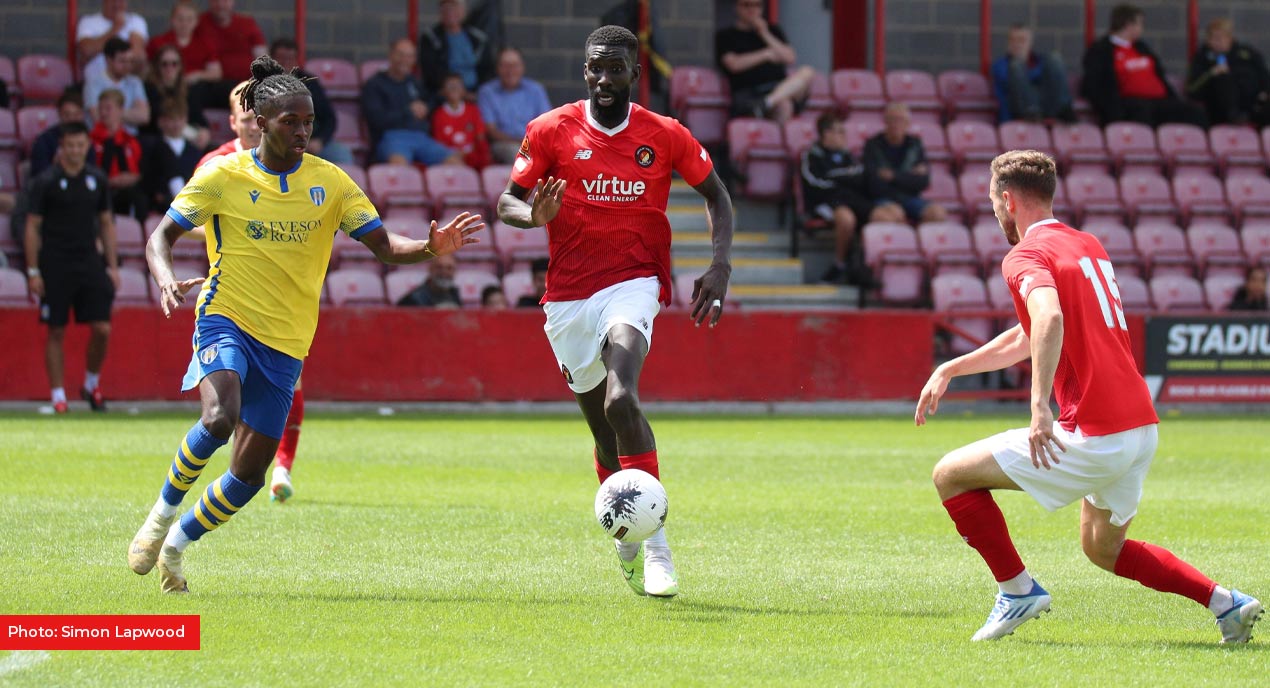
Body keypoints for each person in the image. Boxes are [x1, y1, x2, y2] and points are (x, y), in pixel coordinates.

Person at [127, 55, 484, 594]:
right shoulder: (223, 175)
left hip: (287, 342)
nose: (301, 131)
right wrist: (164, 277)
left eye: (308, 121)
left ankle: (177, 542)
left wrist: (431, 247)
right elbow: (161, 237)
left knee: (248, 475)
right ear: (261, 122)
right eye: (290, 121)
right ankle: (158, 516)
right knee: (222, 416)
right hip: (225, 316)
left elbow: (385, 246)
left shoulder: (332, 183)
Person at [914, 149, 1263, 643]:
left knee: (949, 474)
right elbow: (1032, 331)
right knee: (1103, 548)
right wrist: (953, 367)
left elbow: (1049, 320)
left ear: (1008, 200)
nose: (994, 212)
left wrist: (1038, 409)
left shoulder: (1025, 255)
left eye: (993, 201)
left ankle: (1017, 591)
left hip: (1097, 432)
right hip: (1140, 427)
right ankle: (1227, 604)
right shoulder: (1085, 243)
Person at [497, 25, 733, 598]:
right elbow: (507, 201)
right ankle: (626, 536)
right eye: (595, 68)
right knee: (604, 435)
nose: (605, 78)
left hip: (635, 282)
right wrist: (534, 217)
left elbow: (717, 197)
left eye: (616, 68)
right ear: (585, 72)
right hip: (568, 297)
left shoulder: (665, 134)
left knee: (622, 396)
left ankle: (657, 548)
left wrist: (719, 265)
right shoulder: (550, 130)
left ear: (634, 72)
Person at [23, 122, 119, 415]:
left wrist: (112, 266)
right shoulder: (46, 181)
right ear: (61, 146)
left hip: (89, 260)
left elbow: (105, 222)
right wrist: (33, 270)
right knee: (56, 329)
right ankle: (58, 397)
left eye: (81, 145)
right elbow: (32, 226)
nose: (76, 150)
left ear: (87, 146)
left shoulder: (96, 180)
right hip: (55, 263)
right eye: (70, 145)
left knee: (102, 328)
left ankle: (91, 384)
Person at [801, 112, 894, 285]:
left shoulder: (849, 156)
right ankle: (840, 264)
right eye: (840, 131)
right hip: (826, 201)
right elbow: (813, 183)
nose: (844, 136)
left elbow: (862, 179)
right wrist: (843, 180)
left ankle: (865, 265)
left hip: (852, 199)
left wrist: (840, 179)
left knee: (885, 217)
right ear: (826, 134)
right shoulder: (812, 155)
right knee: (846, 218)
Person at [1080, 4, 1207, 127]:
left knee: (1194, 112)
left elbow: (1159, 74)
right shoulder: (1101, 50)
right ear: (1129, 25)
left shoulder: (1142, 47)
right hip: (1130, 103)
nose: (1142, 28)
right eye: (1140, 23)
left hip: (1159, 101)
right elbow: (1096, 85)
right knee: (1142, 111)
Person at [362, 38, 462, 166]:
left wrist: (425, 107)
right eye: (401, 55)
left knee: (456, 163)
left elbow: (430, 100)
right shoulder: (375, 84)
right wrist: (408, 111)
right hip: (392, 137)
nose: (405, 60)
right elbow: (376, 119)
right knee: (399, 165)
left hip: (421, 137)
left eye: (410, 56)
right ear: (391, 55)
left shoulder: (414, 82)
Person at [714, 0, 815, 121]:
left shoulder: (773, 30)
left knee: (807, 72)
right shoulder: (726, 35)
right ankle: (764, 106)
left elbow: (790, 57)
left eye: (757, 5)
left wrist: (765, 33)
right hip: (748, 92)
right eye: (747, 5)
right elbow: (733, 64)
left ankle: (766, 103)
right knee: (784, 104)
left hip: (777, 89)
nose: (752, 9)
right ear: (737, 7)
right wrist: (766, 54)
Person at [269, 37, 352, 165]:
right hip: (278, 142)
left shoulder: (310, 82)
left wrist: (320, 140)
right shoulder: (261, 85)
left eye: (290, 58)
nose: (285, 63)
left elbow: (329, 118)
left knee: (341, 154)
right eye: (281, 58)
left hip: (311, 141)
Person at [863, 103, 946, 224]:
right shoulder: (872, 145)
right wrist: (908, 176)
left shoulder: (915, 144)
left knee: (937, 213)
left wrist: (893, 176)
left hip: (910, 198)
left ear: (908, 123)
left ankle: (922, 241)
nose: (896, 124)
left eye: (900, 120)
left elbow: (923, 181)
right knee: (895, 214)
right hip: (884, 199)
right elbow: (872, 183)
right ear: (885, 122)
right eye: (892, 119)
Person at [1186, 18, 1270, 127]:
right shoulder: (1202, 58)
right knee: (1223, 79)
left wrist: (1265, 92)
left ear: (1230, 38)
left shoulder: (1247, 54)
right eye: (1214, 38)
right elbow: (1192, 90)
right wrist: (1212, 73)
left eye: (1222, 37)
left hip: (1254, 105)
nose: (1218, 42)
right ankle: (1235, 116)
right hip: (1219, 111)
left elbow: (1264, 75)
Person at [478, 47, 553, 164]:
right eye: (505, 65)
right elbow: (491, 131)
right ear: (497, 68)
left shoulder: (535, 90)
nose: (510, 70)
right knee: (517, 153)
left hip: (535, 143)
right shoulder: (487, 92)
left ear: (522, 67)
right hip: (503, 145)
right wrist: (522, 143)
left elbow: (547, 124)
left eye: (515, 65)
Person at [991, 25, 1075, 123]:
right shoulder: (1000, 65)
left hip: (1046, 103)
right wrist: (1038, 76)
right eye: (1013, 40)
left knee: (1055, 58)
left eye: (1022, 40)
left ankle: (1064, 108)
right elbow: (1010, 81)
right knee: (1016, 66)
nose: (1017, 44)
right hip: (1019, 110)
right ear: (1008, 43)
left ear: (1030, 43)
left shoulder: (1042, 62)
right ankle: (1032, 111)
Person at [90, 89, 147, 219]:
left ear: (121, 110)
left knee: (141, 198)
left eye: (108, 108)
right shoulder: (90, 141)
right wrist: (109, 181)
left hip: (128, 191)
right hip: (101, 190)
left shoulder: (131, 142)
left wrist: (133, 178)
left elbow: (140, 171)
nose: (103, 113)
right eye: (101, 109)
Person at [419, 0, 495, 95]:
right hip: (443, 94)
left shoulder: (478, 39)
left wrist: (476, 93)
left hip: (474, 94)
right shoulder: (430, 38)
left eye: (454, 8)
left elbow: (487, 69)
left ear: (463, 11)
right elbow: (430, 72)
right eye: (446, 9)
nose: (450, 12)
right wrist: (454, 92)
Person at [143, 98, 203, 214]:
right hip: (159, 207)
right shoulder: (154, 147)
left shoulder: (194, 151)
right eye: (171, 119)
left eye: (179, 119)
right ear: (161, 122)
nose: (176, 124)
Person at [142, 45, 209, 147]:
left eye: (174, 64)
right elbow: (152, 122)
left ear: (180, 66)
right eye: (164, 64)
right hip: (158, 141)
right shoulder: (148, 89)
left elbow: (199, 119)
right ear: (157, 66)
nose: (169, 68)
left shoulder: (188, 90)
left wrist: (204, 132)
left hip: (186, 140)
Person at [147, 0, 222, 85]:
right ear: (172, 20)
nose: (184, 24)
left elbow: (216, 73)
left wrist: (197, 75)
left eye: (189, 19)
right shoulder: (158, 42)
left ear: (196, 22)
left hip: (196, 88)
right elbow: (147, 70)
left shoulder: (205, 43)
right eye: (180, 19)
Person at [84, 38, 150, 132]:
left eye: (130, 61)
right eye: (122, 61)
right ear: (108, 60)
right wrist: (130, 114)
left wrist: (112, 113)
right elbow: (98, 118)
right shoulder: (93, 84)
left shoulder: (135, 82)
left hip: (131, 140)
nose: (127, 65)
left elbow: (144, 116)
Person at [194, 0, 266, 84]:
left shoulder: (247, 23)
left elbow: (262, 58)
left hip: (247, 84)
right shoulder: (198, 23)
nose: (220, 4)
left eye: (225, 1)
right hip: (211, 85)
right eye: (215, 1)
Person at [432, 72, 492, 169]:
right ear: (443, 91)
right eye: (450, 86)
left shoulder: (473, 110)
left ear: (464, 90)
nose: (454, 89)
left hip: (473, 157)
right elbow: (439, 144)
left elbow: (480, 138)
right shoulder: (438, 114)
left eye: (458, 86)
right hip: (451, 159)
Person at [77, 0, 147, 81]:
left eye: (120, 1)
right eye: (112, 1)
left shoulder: (136, 21)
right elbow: (86, 51)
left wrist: (98, 45)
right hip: (96, 83)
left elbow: (137, 55)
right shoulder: (88, 21)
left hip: (127, 84)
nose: (116, 4)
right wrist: (116, 28)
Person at [31, 89, 93, 179]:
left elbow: (92, 172)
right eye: (67, 114)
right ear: (59, 114)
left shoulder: (87, 139)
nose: (71, 119)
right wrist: (56, 166)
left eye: (76, 114)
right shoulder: (44, 140)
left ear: (82, 115)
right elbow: (38, 177)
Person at [396, 254, 461, 307]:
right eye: (439, 267)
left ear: (455, 271)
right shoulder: (413, 299)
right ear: (430, 269)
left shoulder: (454, 294)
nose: (444, 272)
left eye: (449, 268)